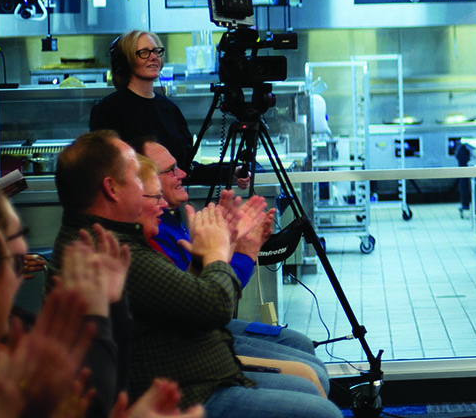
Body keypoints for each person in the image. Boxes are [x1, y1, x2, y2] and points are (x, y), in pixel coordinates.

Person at [49, 130, 356, 418]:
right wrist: (226, 253)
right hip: (184, 396)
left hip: (196, 377)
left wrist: (210, 256)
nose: (160, 190)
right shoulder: (108, 248)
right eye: (140, 178)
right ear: (112, 188)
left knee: (311, 392)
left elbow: (182, 306)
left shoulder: (110, 239)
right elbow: (211, 307)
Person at [135, 137, 330, 394]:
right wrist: (242, 252)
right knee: (311, 382)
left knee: (301, 344)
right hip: (199, 352)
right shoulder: (148, 238)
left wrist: (226, 247)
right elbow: (211, 305)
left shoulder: (168, 221)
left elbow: (200, 289)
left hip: (205, 332)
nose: (182, 173)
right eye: (171, 170)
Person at [90, 29, 248, 188]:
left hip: (169, 209)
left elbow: (186, 170)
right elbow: (104, 171)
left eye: (156, 51)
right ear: (124, 62)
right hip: (134, 208)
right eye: (144, 52)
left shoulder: (170, 109)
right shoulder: (108, 110)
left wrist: (230, 172)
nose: (153, 57)